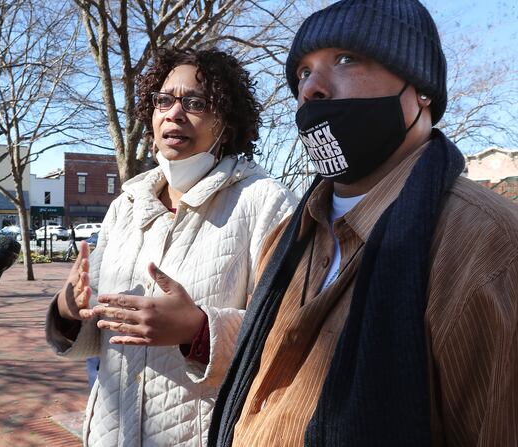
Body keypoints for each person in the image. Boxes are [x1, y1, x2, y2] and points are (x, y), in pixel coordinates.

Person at [208, 1, 518, 446]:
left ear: (422, 88)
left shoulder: (489, 247)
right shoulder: (287, 238)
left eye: (346, 59)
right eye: (302, 72)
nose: (311, 88)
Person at [45, 47, 297, 446]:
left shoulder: (266, 203)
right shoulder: (125, 205)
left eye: (196, 102)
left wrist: (198, 329)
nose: (174, 113)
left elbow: (290, 334)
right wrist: (68, 310)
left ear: (226, 122)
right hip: (112, 433)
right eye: (164, 100)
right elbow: (99, 336)